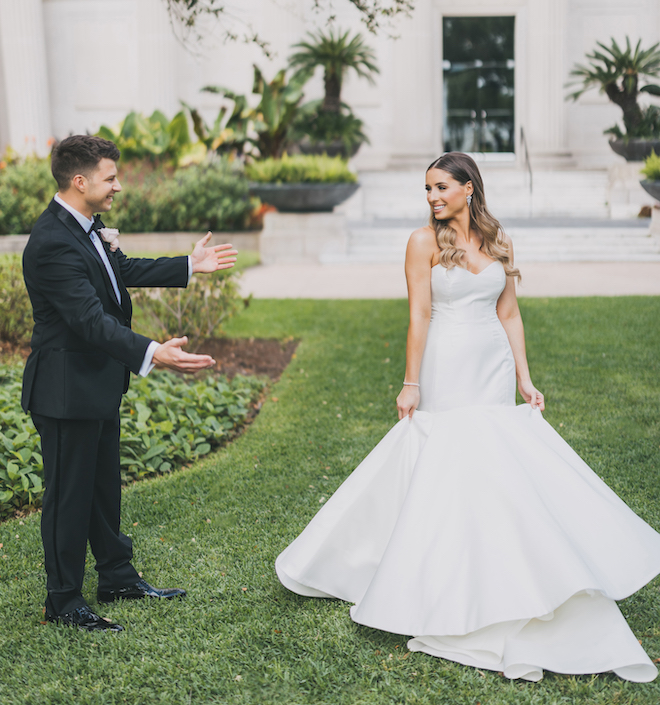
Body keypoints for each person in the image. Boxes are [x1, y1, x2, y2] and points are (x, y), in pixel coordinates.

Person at [276, 152, 660, 683]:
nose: (432, 197)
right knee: (449, 465)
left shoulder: (498, 238)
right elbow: (418, 314)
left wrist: (525, 376)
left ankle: (509, 568)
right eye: (427, 189)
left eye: (441, 187)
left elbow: (509, 313)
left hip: (493, 366)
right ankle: (438, 577)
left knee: (496, 467)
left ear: (469, 189)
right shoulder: (421, 243)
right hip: (447, 363)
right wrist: (411, 382)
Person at [22, 135, 237, 633]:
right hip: (64, 390)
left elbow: (118, 272)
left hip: (94, 383)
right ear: (81, 182)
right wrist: (150, 352)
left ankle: (117, 576)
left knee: (102, 490)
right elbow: (89, 320)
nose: (118, 186)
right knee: (67, 496)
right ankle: (63, 600)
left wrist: (189, 265)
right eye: (110, 177)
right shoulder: (52, 241)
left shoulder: (85, 228)